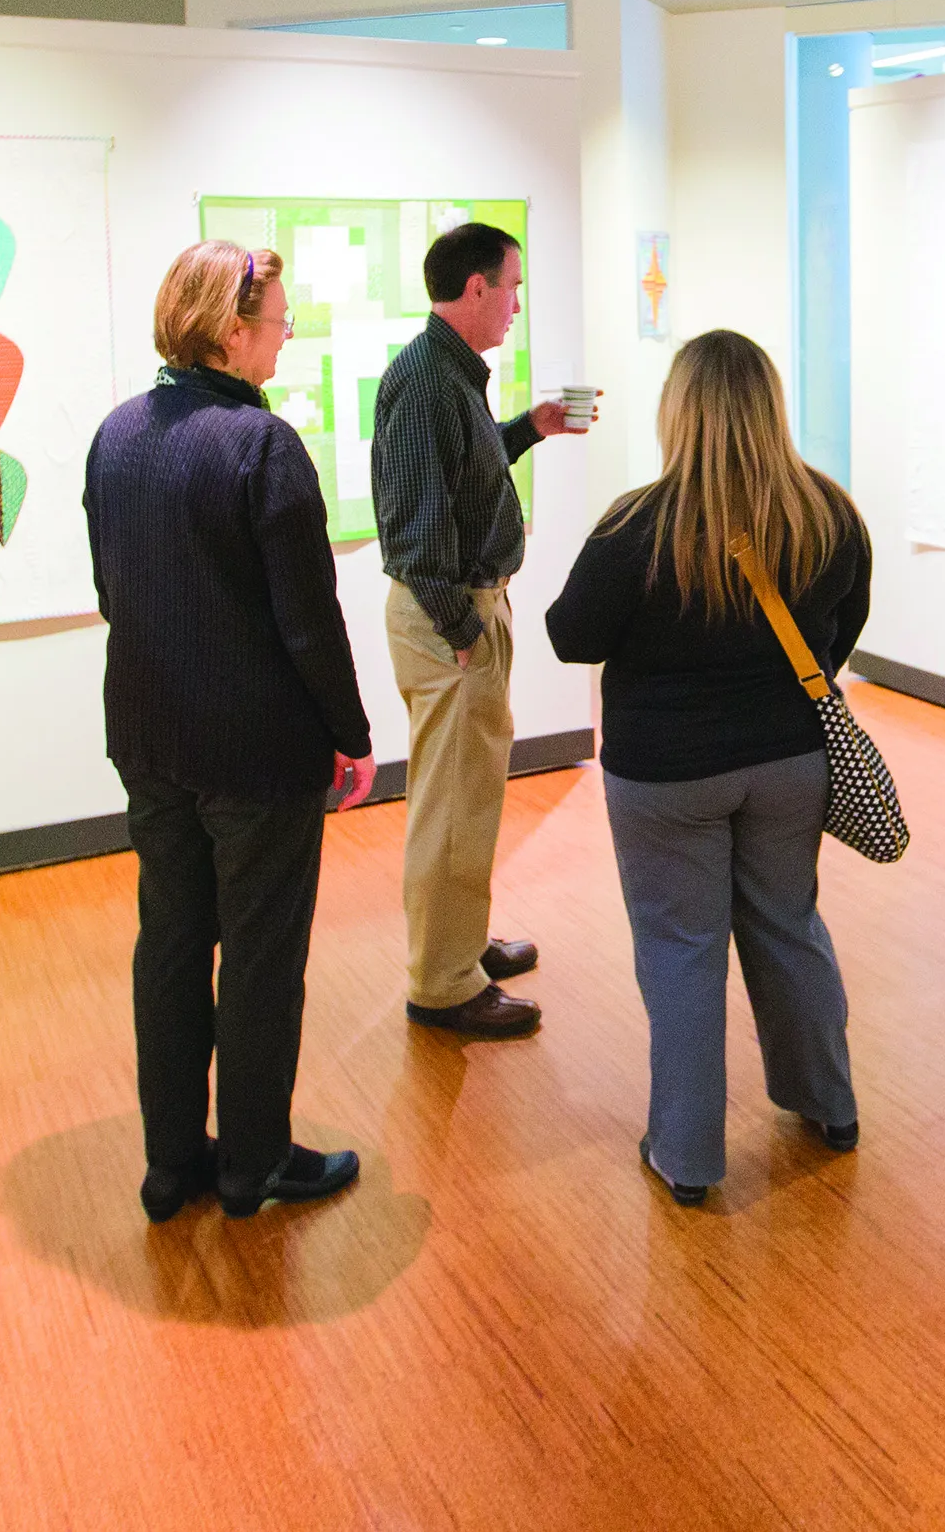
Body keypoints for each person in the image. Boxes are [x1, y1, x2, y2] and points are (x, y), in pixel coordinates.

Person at [86, 241, 379, 1222]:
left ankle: (171, 1166)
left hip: (147, 739)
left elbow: (108, 591)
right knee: (257, 956)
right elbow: (307, 619)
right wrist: (349, 731)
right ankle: (253, 1165)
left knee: (169, 944)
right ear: (228, 330)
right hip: (255, 755)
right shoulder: (263, 446)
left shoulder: (115, 436)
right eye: (277, 320)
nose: (285, 334)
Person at [545, 331, 869, 1206]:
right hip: (788, 762)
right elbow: (840, 632)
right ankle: (828, 1105)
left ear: (676, 411)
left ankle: (686, 1155)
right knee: (787, 927)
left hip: (664, 777)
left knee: (683, 952)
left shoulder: (635, 524)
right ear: (769, 405)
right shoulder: (827, 514)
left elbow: (571, 635)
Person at [369, 222, 595, 1040]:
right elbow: (410, 529)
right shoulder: (426, 380)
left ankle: (458, 945)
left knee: (467, 795)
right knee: (451, 804)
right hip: (449, 616)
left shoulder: (450, 375)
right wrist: (463, 626)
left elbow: (463, 474)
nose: (515, 304)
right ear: (475, 289)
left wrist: (531, 426)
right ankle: (441, 985)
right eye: (512, 288)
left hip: (464, 609)